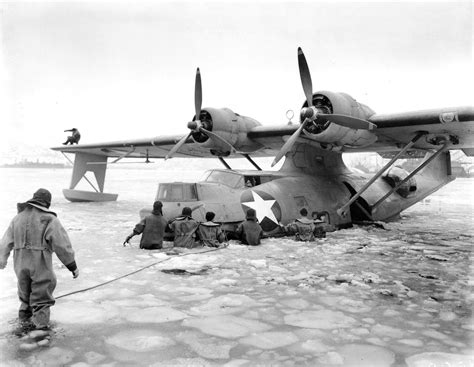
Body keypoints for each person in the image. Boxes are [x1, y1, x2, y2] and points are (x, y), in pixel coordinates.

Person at [0, 188, 79, 334]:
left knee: (25, 299)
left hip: (20, 264)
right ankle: (40, 336)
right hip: (40, 265)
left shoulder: (17, 218)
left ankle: (23, 329)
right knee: (41, 301)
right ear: (47, 203)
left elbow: (5, 242)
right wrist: (72, 266)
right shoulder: (50, 219)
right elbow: (61, 244)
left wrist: (1, 260)